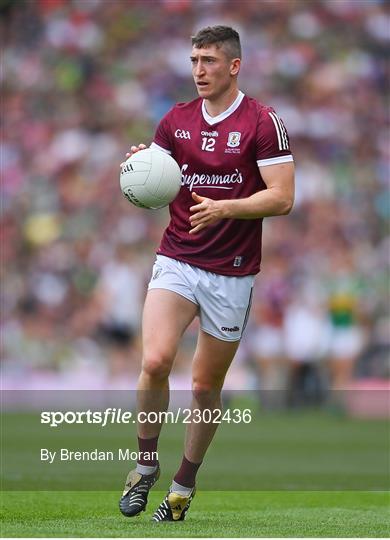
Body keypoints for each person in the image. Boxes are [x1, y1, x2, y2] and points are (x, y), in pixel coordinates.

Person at [119, 25, 295, 522]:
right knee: (154, 360)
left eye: (209, 61)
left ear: (234, 65)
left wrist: (225, 208)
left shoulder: (264, 121)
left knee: (202, 388)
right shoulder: (174, 121)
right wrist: (139, 170)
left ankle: (182, 487)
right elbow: (159, 178)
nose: (199, 70)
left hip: (232, 273)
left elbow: (282, 197)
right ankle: (144, 467)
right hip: (177, 257)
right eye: (194, 60)